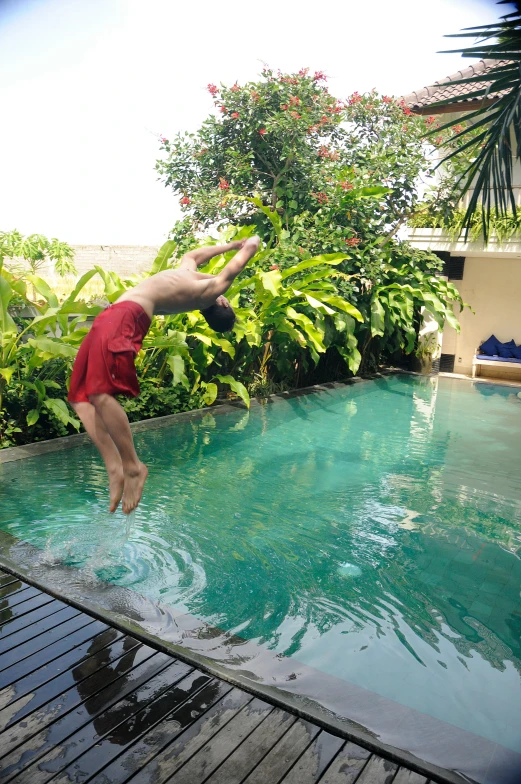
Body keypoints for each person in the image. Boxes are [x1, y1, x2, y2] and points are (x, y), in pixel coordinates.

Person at [68, 235, 260, 514]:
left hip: (124, 317)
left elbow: (236, 266)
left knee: (99, 393)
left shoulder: (207, 291)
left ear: (222, 305)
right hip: (111, 316)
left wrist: (249, 244)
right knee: (79, 397)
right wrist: (230, 246)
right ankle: (114, 467)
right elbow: (194, 255)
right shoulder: (190, 276)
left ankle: (133, 467)